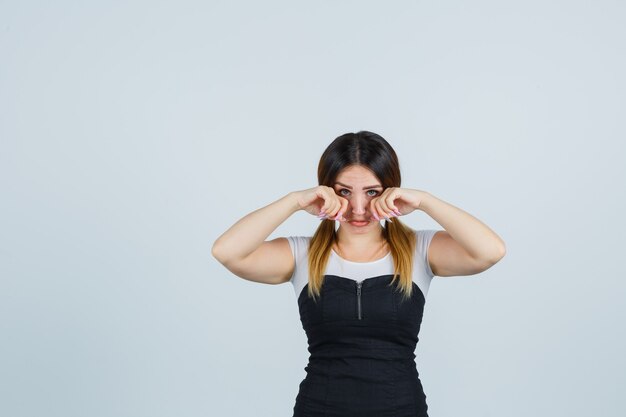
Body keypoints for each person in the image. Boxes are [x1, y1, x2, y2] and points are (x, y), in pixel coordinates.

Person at [212, 131, 506, 417]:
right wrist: (294, 201)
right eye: (343, 192)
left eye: (372, 192)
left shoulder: (419, 250)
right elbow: (227, 252)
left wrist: (425, 201)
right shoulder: (303, 255)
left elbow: (490, 251)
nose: (359, 208)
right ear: (326, 191)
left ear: (390, 191)